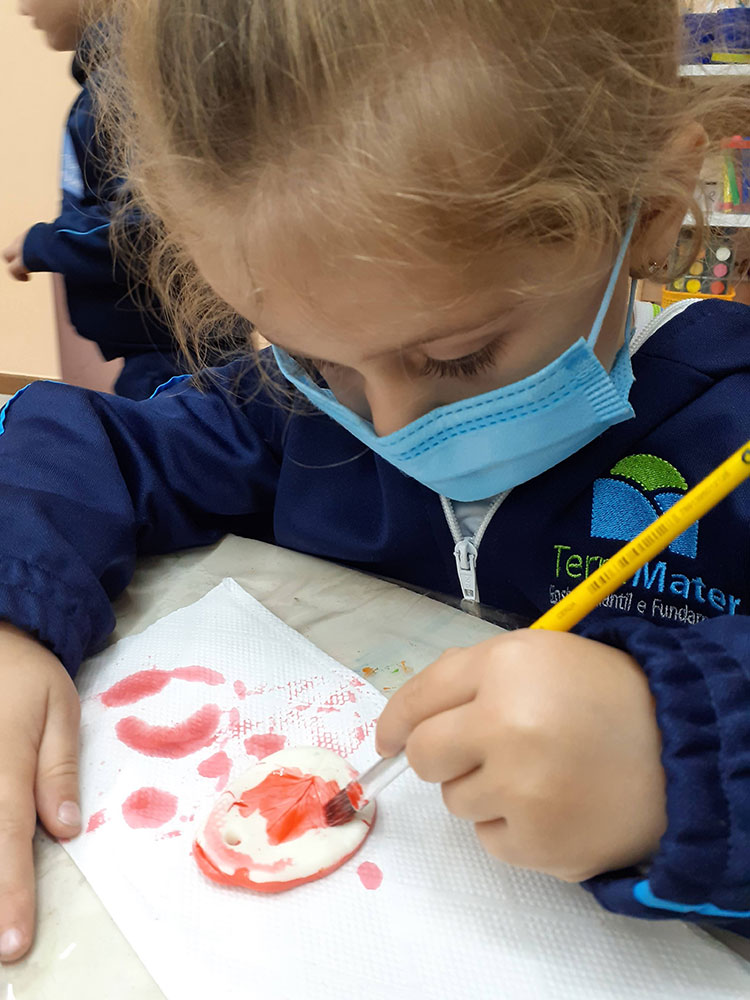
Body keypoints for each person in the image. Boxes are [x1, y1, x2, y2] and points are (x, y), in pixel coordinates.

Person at [0, 0, 749, 965]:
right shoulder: (292, 415)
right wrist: (13, 611)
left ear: (647, 212)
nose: (389, 427)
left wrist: (683, 756)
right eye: (317, 359)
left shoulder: (728, 424)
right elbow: (84, 444)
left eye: (459, 356)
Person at [1, 0, 237, 398]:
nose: (22, 8)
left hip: (180, 359)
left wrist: (43, 242)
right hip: (164, 353)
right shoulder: (113, 82)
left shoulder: (125, 86)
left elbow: (152, 222)